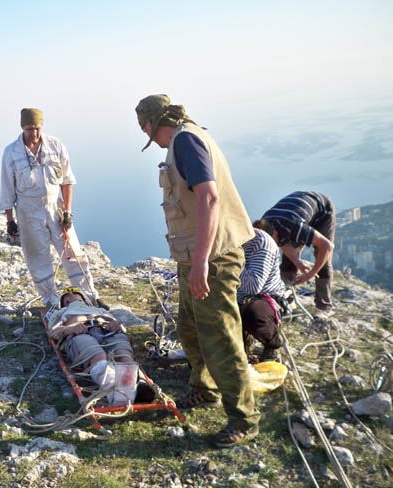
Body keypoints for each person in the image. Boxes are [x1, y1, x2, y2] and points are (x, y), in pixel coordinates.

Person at [135, 94, 260, 448]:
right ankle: (204, 389)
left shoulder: (186, 140)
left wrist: (202, 262)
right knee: (189, 327)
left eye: (146, 131)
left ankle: (244, 419)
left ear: (153, 124)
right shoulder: (185, 138)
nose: (151, 139)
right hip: (194, 255)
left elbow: (208, 197)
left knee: (220, 336)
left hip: (214, 256)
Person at [0, 108, 108, 311]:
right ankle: (50, 300)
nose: (34, 133)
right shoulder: (11, 152)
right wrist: (10, 221)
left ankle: (90, 296)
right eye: (30, 129)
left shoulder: (55, 146)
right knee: (38, 258)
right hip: (27, 211)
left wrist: (67, 211)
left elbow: (67, 181)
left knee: (73, 252)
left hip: (54, 207)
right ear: (22, 127)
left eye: (37, 128)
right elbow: (6, 187)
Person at [47, 287, 155, 405]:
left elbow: (119, 325)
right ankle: (117, 390)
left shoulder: (99, 310)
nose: (71, 294)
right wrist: (70, 329)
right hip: (80, 333)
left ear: (84, 299)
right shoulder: (62, 312)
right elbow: (53, 332)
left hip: (107, 330)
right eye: (66, 295)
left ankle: (137, 387)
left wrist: (116, 325)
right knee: (98, 356)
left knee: (124, 357)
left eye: (74, 292)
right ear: (63, 303)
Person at [254, 191, 335, 314]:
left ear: (275, 233)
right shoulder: (265, 225)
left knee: (322, 258)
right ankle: (287, 298)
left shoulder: (295, 227)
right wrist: (298, 263)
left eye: (270, 242)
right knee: (288, 261)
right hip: (295, 211)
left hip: (323, 212)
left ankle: (323, 307)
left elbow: (327, 246)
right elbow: (283, 244)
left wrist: (311, 273)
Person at [238, 228, 287, 362]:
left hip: (264, 296)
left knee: (255, 314)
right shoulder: (219, 239)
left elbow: (253, 286)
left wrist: (229, 267)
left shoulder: (261, 243)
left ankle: (273, 344)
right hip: (235, 296)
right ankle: (241, 346)